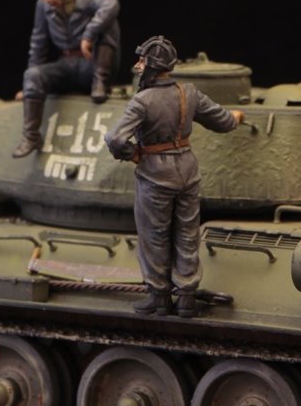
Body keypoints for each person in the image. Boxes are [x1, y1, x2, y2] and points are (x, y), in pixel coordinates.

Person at [105, 36, 245, 318]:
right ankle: (186, 299)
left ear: (153, 65)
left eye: (142, 60)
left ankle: (159, 298)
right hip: (188, 170)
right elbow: (223, 121)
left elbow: (115, 139)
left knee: (154, 236)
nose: (138, 65)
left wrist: (133, 154)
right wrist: (235, 118)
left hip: (155, 174)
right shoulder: (189, 93)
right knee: (187, 234)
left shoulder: (141, 101)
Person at [13, 0, 121, 158]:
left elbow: (111, 3)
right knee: (32, 75)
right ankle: (30, 136)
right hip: (67, 64)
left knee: (109, 21)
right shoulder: (42, 6)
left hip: (92, 65)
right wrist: (29, 87)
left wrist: (89, 35)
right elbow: (38, 42)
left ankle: (100, 81)